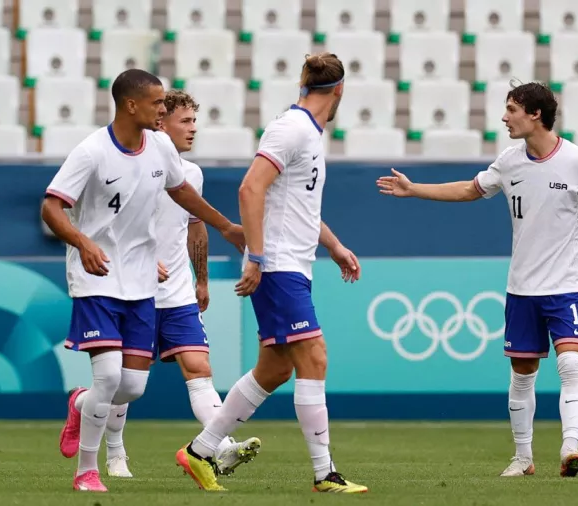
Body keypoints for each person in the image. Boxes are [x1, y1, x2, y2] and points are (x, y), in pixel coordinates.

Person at [376, 81, 578, 478]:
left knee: (571, 365)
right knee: (522, 376)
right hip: (522, 289)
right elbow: (471, 190)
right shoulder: (509, 161)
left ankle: (570, 449)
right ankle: (523, 458)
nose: (504, 117)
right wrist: (414, 189)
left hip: (567, 286)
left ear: (534, 114)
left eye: (511, 109)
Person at [42, 69, 245, 493]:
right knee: (110, 378)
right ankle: (87, 471)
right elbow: (51, 208)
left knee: (130, 386)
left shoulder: (159, 148)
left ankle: (78, 404)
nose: (162, 109)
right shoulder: (92, 152)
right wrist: (83, 243)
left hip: (140, 285)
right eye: (157, 104)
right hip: (96, 278)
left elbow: (183, 193)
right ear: (131, 105)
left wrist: (225, 226)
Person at [175, 53, 368, 494]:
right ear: (339, 90)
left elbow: (297, 205)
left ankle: (201, 451)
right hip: (278, 264)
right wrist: (258, 258)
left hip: (293, 263)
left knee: (275, 369)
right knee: (314, 356)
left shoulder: (309, 135)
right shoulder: (292, 128)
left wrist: (334, 246)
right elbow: (250, 187)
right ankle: (325, 474)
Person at [98, 90, 261, 479]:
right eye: (185, 121)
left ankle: (218, 448)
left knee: (198, 365)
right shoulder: (127, 166)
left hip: (177, 290)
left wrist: (200, 279)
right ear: (160, 122)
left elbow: (194, 225)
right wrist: (137, 259)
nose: (193, 129)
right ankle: (115, 451)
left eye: (193, 121)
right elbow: (105, 224)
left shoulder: (192, 174)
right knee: (125, 382)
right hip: (131, 289)